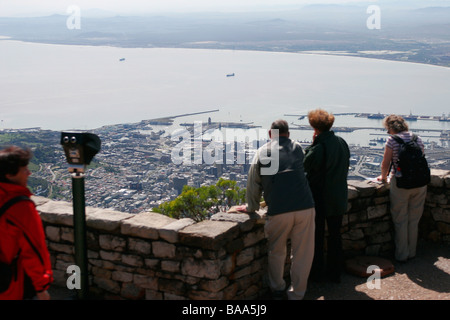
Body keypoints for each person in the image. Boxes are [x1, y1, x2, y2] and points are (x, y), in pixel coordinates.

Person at [235, 120, 315, 300]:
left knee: (277, 251)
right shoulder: (298, 148)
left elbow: (253, 183)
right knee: (303, 253)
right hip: (305, 206)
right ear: (288, 133)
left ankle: (277, 289)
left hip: (279, 209)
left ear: (271, 134)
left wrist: (252, 207)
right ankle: (298, 294)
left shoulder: (263, 152)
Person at [0, 146, 53, 300]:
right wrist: (41, 287)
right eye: (24, 169)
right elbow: (33, 250)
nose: (29, 173)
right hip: (10, 283)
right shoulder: (19, 207)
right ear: (9, 174)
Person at [303, 109, 350, 283]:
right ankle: (334, 272)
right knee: (335, 235)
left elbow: (305, 165)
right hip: (339, 195)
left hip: (321, 197)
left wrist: (311, 146)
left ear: (315, 128)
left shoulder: (319, 147)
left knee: (317, 236)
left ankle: (316, 273)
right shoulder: (341, 142)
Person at [376, 114, 427, 263]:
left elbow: (385, 163)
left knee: (400, 220)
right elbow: (422, 157)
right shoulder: (417, 138)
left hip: (401, 184)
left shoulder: (392, 140)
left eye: (387, 129)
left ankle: (402, 255)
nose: (387, 132)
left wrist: (383, 178)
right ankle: (412, 252)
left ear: (391, 128)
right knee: (414, 220)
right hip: (420, 183)